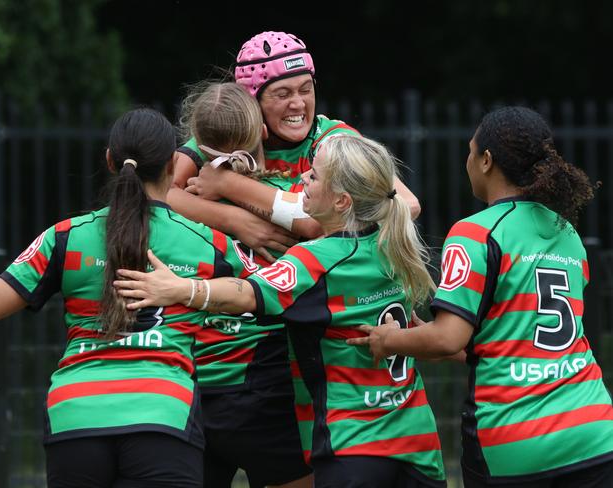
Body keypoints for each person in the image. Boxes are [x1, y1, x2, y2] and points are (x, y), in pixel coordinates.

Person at [115, 134, 447, 488]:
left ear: (342, 201)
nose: (303, 177)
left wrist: (182, 288)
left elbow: (247, 294)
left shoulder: (317, 260)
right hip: (419, 442)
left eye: (314, 176)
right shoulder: (391, 243)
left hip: (353, 442)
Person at [0, 108, 247, 487]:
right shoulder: (207, 242)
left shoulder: (65, 237)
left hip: (75, 416)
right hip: (162, 413)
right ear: (171, 166)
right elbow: (268, 294)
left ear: (110, 160)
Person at [348, 107, 613, 487]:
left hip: (515, 440)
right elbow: (522, 342)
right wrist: (422, 340)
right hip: (593, 431)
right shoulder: (565, 231)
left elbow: (446, 338)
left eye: (470, 151)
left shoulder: (476, 232)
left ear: (486, 161)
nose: (467, 160)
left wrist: (389, 340)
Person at [169, 31, 421, 262]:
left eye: (305, 90)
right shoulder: (231, 131)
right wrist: (236, 221)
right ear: (251, 102)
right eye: (283, 94)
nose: (298, 104)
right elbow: (158, 193)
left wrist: (228, 184)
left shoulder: (332, 139)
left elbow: (408, 204)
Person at [178, 81, 314, 488]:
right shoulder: (288, 199)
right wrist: (242, 217)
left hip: (190, 384)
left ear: (196, 141)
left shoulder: (173, 209)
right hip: (267, 384)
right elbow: (329, 221)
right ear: (263, 132)